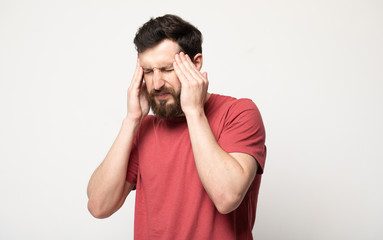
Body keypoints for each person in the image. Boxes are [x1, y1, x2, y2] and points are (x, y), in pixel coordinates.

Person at [87, 14, 266, 239]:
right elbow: (99, 206)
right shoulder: (143, 128)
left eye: (167, 69)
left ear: (196, 63)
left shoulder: (238, 113)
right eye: (149, 72)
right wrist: (132, 120)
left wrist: (194, 111)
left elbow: (227, 197)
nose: (157, 83)